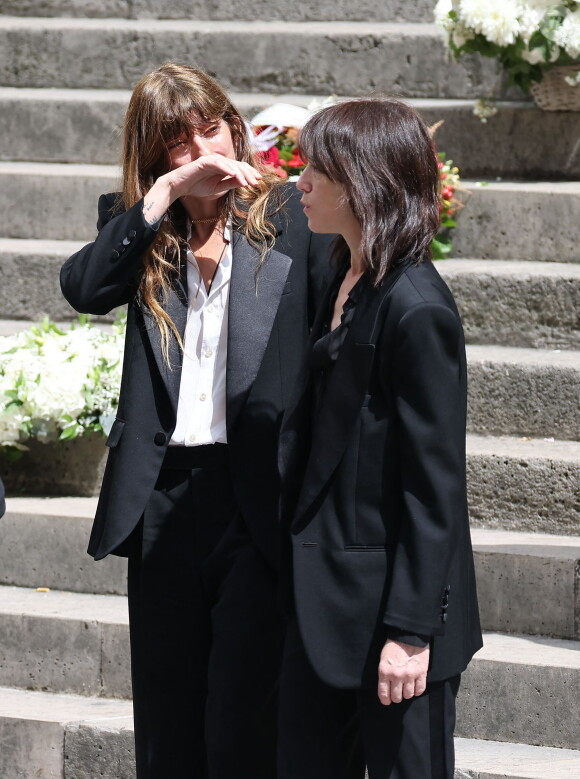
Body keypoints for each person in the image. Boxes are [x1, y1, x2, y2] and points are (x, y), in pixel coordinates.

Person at [60, 63, 331, 779]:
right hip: (165, 500)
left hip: (255, 498)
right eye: (178, 143)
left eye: (210, 129)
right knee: (167, 726)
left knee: (240, 726)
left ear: (234, 126)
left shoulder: (289, 218)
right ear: (153, 157)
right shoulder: (143, 228)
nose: (203, 152)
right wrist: (162, 196)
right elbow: (84, 289)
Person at [277, 98, 483, 779]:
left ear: (364, 181)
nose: (299, 182)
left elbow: (434, 489)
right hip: (324, 605)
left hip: (396, 623)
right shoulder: (342, 269)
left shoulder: (418, 307)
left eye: (316, 169)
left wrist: (410, 631)